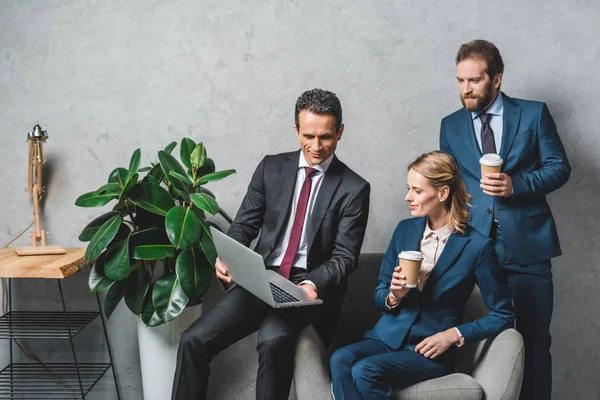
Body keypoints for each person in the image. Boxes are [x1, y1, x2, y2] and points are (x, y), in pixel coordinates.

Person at [171, 88, 371, 400]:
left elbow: (345, 257)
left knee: (272, 340)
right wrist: (226, 257)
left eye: (326, 137)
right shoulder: (271, 168)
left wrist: (313, 285)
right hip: (260, 279)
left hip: (307, 290)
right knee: (194, 339)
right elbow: (244, 225)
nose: (316, 146)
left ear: (340, 132)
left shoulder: (354, 188)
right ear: (295, 130)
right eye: (308, 135)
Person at [440, 40, 571, 400]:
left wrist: (517, 185)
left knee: (533, 341)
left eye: (474, 81)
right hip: (471, 247)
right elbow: (448, 187)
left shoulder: (532, 114)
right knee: (455, 333)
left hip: (527, 246)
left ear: (496, 80)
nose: (465, 89)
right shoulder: (450, 126)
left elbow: (560, 168)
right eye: (460, 81)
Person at [329, 150, 514, 399]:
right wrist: (394, 295)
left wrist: (452, 336)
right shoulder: (404, 230)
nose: (408, 197)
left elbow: (503, 314)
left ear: (442, 193)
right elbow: (380, 293)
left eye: (417, 190)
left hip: (429, 350)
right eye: (409, 188)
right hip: (386, 337)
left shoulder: (478, 246)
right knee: (340, 358)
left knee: (365, 370)